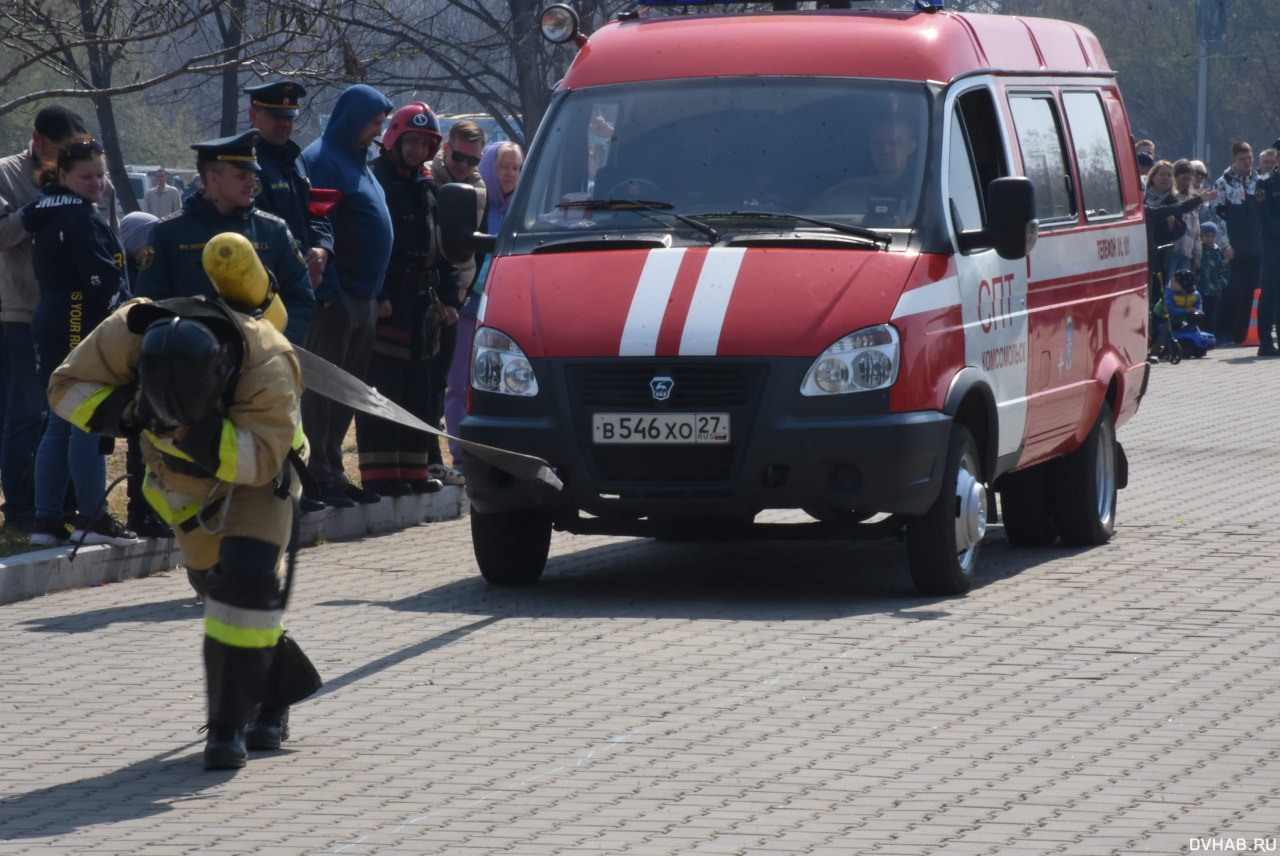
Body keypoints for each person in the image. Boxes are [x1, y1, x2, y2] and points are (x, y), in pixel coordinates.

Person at [48, 234, 322, 770]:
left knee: (245, 583)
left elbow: (260, 458)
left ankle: (228, 727)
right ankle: (285, 684)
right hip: (180, 484)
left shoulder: (267, 357)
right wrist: (131, 412)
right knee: (215, 588)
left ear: (220, 373)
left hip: (259, 478)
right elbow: (65, 387)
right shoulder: (128, 330)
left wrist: (181, 430)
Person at [20, 135, 136, 547]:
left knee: (59, 423)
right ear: (63, 174)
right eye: (87, 176)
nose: (97, 183)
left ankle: (47, 522)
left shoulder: (45, 211)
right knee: (88, 422)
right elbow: (103, 282)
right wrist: (131, 313)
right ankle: (92, 516)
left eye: (101, 175)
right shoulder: (80, 219)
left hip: (50, 320)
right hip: (81, 324)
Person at [0, 106, 111, 532]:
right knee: (27, 414)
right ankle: (22, 510)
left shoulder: (90, 174)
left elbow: (107, 232)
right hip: (26, 311)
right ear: (39, 140)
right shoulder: (7, 173)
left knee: (71, 417)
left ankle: (64, 506)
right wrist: (40, 214)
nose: (94, 183)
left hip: (87, 318)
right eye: (60, 146)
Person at [300, 84, 395, 509]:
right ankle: (318, 470)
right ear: (354, 120)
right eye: (374, 123)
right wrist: (332, 292)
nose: (378, 132)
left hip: (365, 299)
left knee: (349, 389)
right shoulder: (322, 161)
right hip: (338, 301)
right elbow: (320, 227)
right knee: (324, 388)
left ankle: (335, 466)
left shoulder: (360, 162)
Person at [358, 102, 459, 497]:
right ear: (394, 139)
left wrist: (449, 299)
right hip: (390, 302)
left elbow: (444, 244)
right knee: (385, 390)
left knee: (421, 389)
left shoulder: (427, 185)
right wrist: (378, 295)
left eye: (425, 143)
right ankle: (382, 477)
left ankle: (415, 472)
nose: (418, 150)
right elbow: (366, 243)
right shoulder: (374, 179)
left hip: (424, 308)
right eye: (411, 141)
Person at [135, 130, 314, 347]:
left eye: (253, 175)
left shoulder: (273, 231)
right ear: (212, 178)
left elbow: (301, 300)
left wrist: (277, 346)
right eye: (241, 176)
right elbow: (149, 303)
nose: (252, 184)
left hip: (260, 361)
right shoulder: (168, 232)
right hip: (189, 362)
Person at [443, 140, 523, 477]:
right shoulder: (478, 204)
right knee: (460, 384)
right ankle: (460, 453)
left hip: (505, 307)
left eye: (516, 168)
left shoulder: (521, 208)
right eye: (504, 166)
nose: (510, 174)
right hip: (469, 305)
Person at [428, 120, 487, 485]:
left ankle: (434, 459)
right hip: (426, 290)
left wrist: (458, 296)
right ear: (446, 148)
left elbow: (465, 252)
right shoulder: (428, 179)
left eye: (472, 160)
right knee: (434, 385)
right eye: (458, 156)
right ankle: (431, 457)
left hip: (458, 295)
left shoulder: (477, 188)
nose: (463, 165)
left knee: (440, 383)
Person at [244, 81, 334, 290]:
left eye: (289, 117)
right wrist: (301, 259)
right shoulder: (245, 161)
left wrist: (323, 249)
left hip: (301, 281)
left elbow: (315, 212)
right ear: (253, 115)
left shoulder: (295, 158)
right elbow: (259, 225)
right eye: (276, 116)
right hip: (267, 280)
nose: (285, 124)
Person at [1212, 142, 1264, 346]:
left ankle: (1247, 333)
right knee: (1232, 291)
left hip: (1256, 248)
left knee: (1252, 291)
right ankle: (1227, 332)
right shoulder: (1223, 183)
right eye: (1243, 159)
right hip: (1233, 249)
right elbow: (1217, 215)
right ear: (1233, 159)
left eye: (1250, 158)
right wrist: (1225, 245)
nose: (1247, 162)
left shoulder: (1258, 182)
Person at [1257, 149, 1280, 356]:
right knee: (1270, 293)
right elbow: (1264, 215)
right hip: (1273, 245)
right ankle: (1265, 343)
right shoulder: (1265, 182)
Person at [1196, 221, 1230, 343]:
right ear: (1201, 236)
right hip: (1200, 288)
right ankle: (1199, 336)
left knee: (1212, 314)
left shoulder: (1218, 252)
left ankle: (1211, 337)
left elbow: (1225, 269)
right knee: (1199, 314)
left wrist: (1221, 283)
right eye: (1206, 236)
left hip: (1214, 290)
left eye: (1212, 236)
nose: (1210, 239)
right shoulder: (1199, 250)